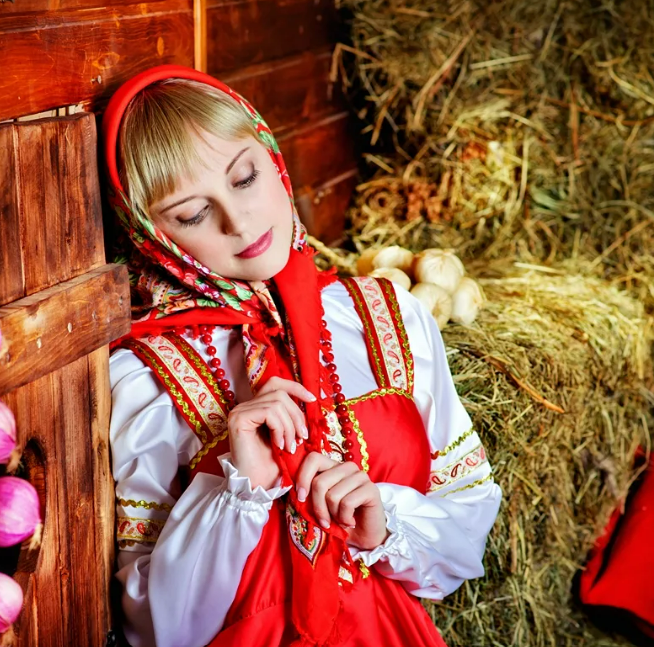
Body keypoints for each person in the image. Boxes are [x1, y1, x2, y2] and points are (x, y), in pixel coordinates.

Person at [102, 65, 501, 647]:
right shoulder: (146, 377)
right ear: (149, 235)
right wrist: (238, 483)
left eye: (244, 178)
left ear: (272, 157)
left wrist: (383, 520)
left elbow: (466, 538)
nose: (239, 222)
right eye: (192, 214)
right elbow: (163, 631)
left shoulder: (388, 316)